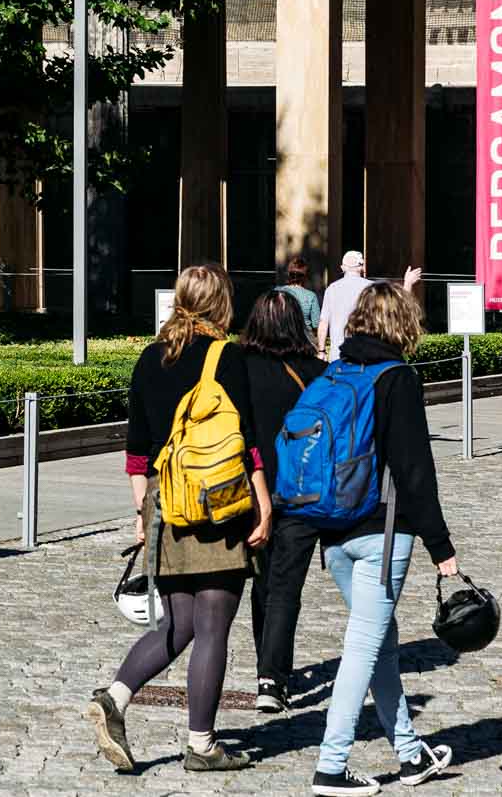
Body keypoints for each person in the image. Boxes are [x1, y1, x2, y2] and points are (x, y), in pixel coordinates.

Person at [87, 263, 274, 775]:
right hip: (218, 503)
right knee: (213, 623)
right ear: (220, 303)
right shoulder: (226, 356)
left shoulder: (150, 358)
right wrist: (263, 503)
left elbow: (136, 450)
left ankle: (117, 698)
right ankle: (202, 743)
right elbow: (248, 443)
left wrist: (142, 513)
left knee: (180, 622)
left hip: (164, 501)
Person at [308, 281, 457, 796]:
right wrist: (443, 550)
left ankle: (411, 754)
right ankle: (331, 765)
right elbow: (415, 471)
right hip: (383, 533)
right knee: (362, 648)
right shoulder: (397, 379)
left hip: (333, 533)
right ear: (403, 324)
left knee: (381, 643)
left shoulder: (337, 371)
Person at [240, 289, 326, 716]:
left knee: (262, 583)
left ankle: (266, 668)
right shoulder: (318, 374)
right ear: (299, 325)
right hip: (300, 492)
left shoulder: (237, 369)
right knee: (285, 587)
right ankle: (272, 676)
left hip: (246, 490)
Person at [316, 253, 424, 360]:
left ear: (343, 267)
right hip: (367, 357)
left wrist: (321, 351)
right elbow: (397, 311)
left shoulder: (331, 289)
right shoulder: (372, 289)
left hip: (338, 356)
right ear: (362, 267)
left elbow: (323, 322)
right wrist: (408, 284)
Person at [277, 256, 321, 343]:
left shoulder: (277, 292)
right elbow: (316, 325)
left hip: (279, 340)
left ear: (289, 274)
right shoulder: (311, 296)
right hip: (304, 341)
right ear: (305, 276)